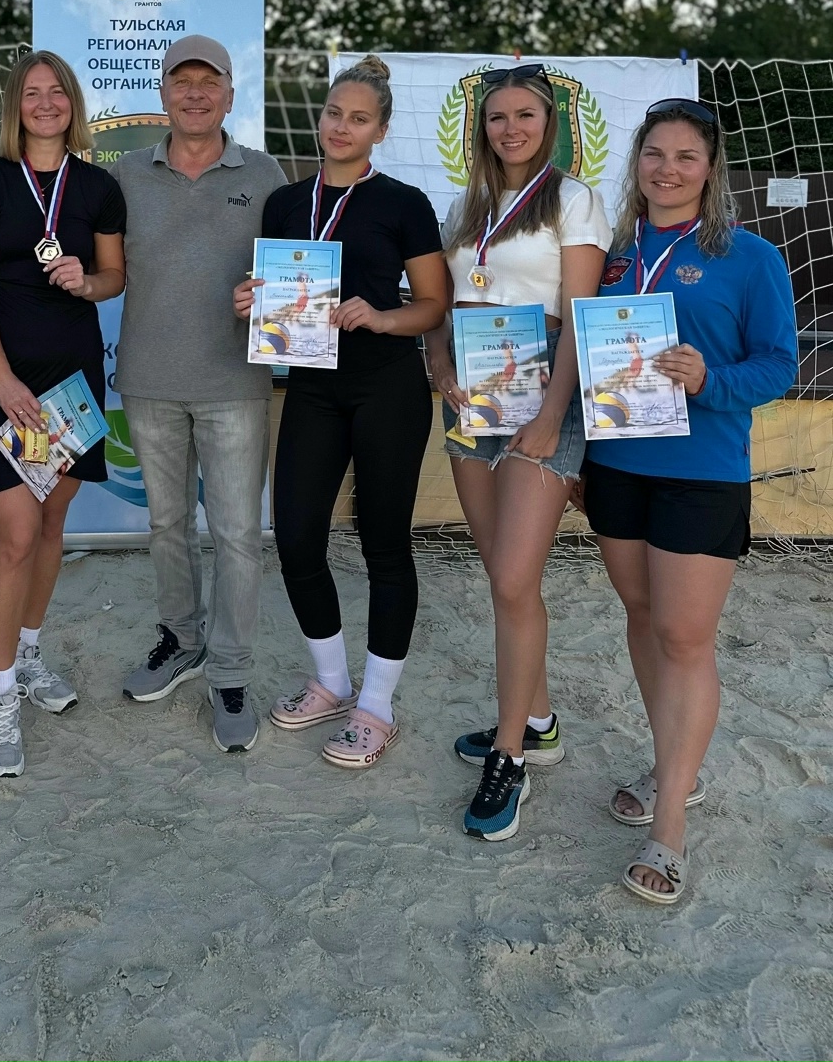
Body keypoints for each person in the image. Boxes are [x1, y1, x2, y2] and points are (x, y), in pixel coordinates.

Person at [583, 98, 797, 904]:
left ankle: (669, 823)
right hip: (615, 465)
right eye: (654, 154)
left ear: (710, 170)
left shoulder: (748, 257)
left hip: (702, 471)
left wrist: (710, 379)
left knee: (683, 635)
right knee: (642, 617)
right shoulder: (611, 254)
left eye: (685, 157)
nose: (666, 169)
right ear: (636, 161)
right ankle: (672, 763)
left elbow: (778, 364)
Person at [234, 56, 448, 768]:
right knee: (296, 537)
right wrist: (251, 301)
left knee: (384, 545)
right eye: (334, 113)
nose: (342, 127)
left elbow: (433, 304)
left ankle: (376, 707)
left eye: (359, 119)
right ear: (320, 117)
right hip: (313, 390)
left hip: (387, 387)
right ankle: (332, 683)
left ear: (380, 130)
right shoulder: (286, 203)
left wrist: (383, 318)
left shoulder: (404, 203)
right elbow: (274, 292)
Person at [423, 64, 610, 840]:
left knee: (511, 577)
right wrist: (438, 363)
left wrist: (554, 413)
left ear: (549, 122)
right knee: (502, 573)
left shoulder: (573, 199)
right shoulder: (465, 204)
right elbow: (441, 305)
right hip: (473, 397)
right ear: (483, 127)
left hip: (543, 396)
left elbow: (581, 312)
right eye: (498, 117)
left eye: (525, 115)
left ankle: (510, 756)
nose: (511, 128)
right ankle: (537, 719)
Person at [113, 35, 287, 753]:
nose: (194, 94)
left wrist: (271, 296)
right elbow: (102, 267)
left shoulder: (266, 174)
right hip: (149, 380)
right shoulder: (126, 174)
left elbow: (296, 275)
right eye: (181, 81)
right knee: (167, 526)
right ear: (162, 92)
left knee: (239, 535)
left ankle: (232, 671)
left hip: (235, 384)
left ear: (229, 93)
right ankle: (182, 641)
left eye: (207, 82)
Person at [0, 50, 126, 778]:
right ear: (15, 106)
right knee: (16, 535)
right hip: (6, 382)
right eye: (32, 92)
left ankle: (27, 656)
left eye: (58, 92)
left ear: (73, 103)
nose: (46, 103)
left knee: (54, 523)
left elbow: (116, 277)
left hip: (72, 385)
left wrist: (88, 282)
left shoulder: (99, 186)